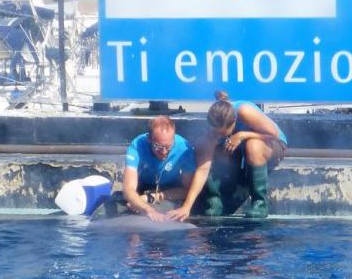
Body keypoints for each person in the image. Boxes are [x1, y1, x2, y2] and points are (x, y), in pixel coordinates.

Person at [174, 91, 287, 220]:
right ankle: (215, 199)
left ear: (234, 122)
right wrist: (187, 206)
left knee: (253, 146)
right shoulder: (214, 127)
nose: (219, 136)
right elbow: (203, 169)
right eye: (216, 132)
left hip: (270, 144)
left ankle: (259, 203)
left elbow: (274, 135)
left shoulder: (244, 111)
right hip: (239, 150)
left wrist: (242, 135)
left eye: (223, 133)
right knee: (204, 144)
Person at [118, 115, 196, 221]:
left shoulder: (184, 148)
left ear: (174, 139)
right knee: (113, 208)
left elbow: (187, 190)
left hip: (169, 191)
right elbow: (128, 189)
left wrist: (151, 197)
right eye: (158, 147)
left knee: (163, 212)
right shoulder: (137, 145)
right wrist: (147, 209)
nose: (163, 152)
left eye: (168, 147)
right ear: (149, 139)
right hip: (141, 188)